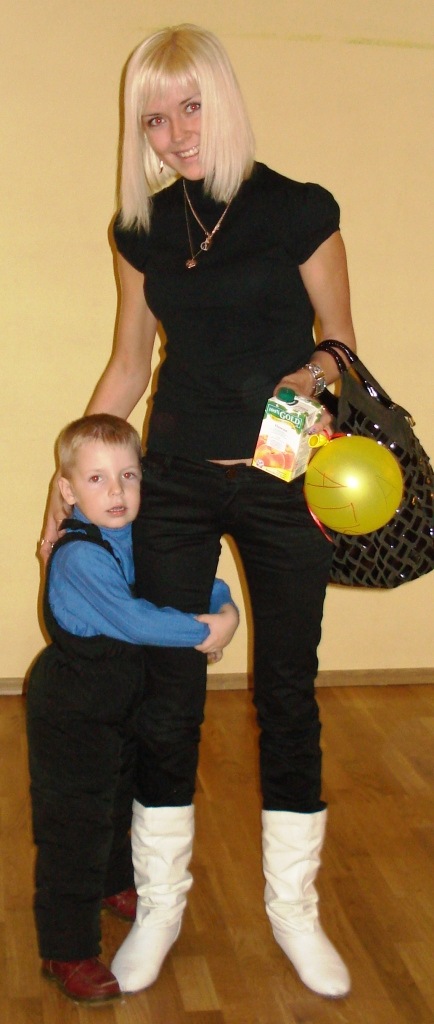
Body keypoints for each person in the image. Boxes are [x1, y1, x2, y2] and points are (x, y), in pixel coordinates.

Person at [41, 24, 358, 1000]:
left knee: (286, 690)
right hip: (172, 479)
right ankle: (163, 902)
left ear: (222, 100)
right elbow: (129, 365)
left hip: (281, 476)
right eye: (153, 118)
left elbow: (342, 345)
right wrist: (63, 493)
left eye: (190, 107)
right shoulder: (140, 231)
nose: (176, 134)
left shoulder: (299, 209)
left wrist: (309, 375)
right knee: (167, 691)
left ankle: (293, 910)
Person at [29, 413, 238, 1004]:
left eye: (128, 475)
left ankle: (113, 882)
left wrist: (223, 607)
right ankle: (67, 948)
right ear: (68, 490)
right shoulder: (79, 556)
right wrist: (203, 632)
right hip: (72, 709)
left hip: (120, 702)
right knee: (76, 826)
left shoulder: (133, 536)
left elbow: (185, 579)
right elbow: (136, 619)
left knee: (117, 797)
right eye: (96, 479)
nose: (116, 491)